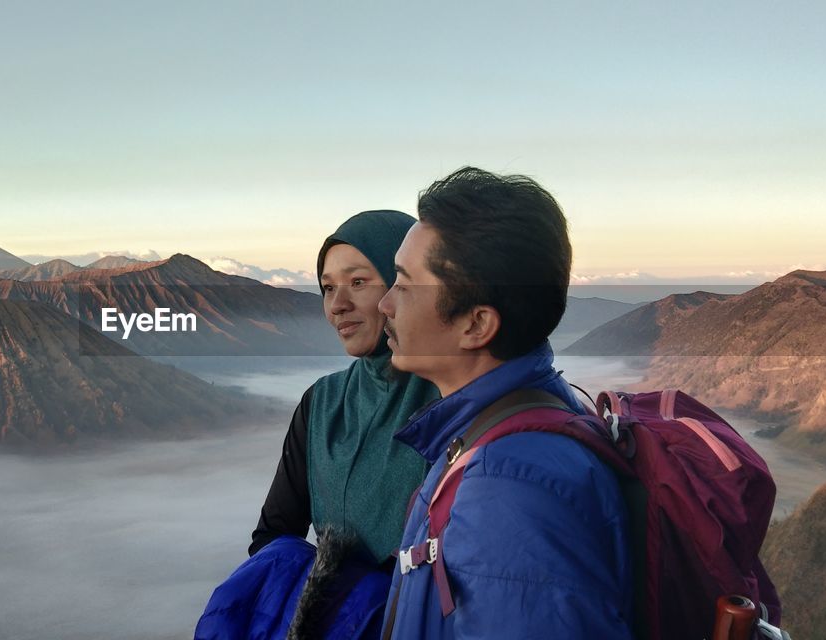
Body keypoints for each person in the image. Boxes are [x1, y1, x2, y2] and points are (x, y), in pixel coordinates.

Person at [376, 168, 633, 638]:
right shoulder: (514, 429)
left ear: (476, 325)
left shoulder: (509, 491)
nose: (385, 305)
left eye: (406, 285)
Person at [196, 210, 440, 640]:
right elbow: (273, 540)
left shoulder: (450, 402)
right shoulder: (321, 403)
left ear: (404, 284)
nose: (336, 305)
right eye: (327, 288)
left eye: (358, 282)